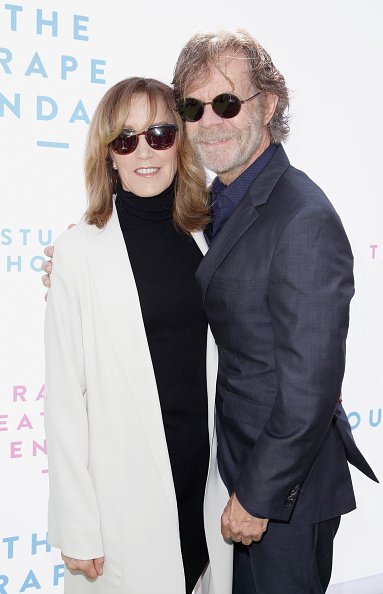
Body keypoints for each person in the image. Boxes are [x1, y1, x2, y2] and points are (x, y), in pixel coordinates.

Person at [171, 30, 378, 593]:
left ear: (269, 105)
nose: (209, 121)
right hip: (231, 470)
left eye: (227, 102)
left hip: (282, 497)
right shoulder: (215, 202)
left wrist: (258, 498)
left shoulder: (301, 217)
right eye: (193, 106)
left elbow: (310, 387)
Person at [43, 76, 232, 594]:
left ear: (180, 143)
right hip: (122, 508)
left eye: (159, 134)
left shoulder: (210, 235)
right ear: (109, 155)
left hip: (205, 487)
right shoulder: (78, 252)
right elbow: (64, 401)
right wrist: (76, 526)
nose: (144, 152)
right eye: (125, 140)